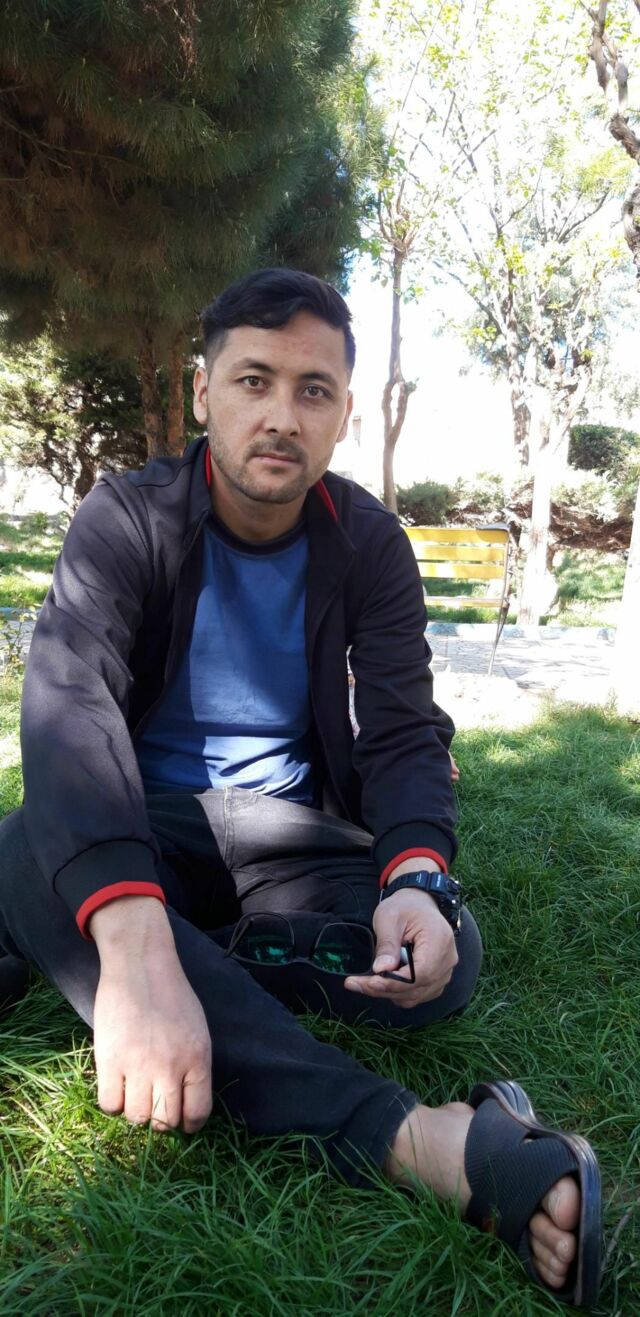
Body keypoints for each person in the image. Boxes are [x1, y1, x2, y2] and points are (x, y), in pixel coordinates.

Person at [0, 269, 601, 1307]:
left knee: (442, 959)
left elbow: (404, 729)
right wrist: (135, 937)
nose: (281, 414)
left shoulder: (368, 542)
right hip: (148, 827)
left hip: (286, 837)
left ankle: (144, 955)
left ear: (343, 413)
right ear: (203, 392)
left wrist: (415, 877)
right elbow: (69, 705)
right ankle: (416, 1137)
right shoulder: (126, 516)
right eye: (254, 380)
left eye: (312, 389)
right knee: (31, 841)